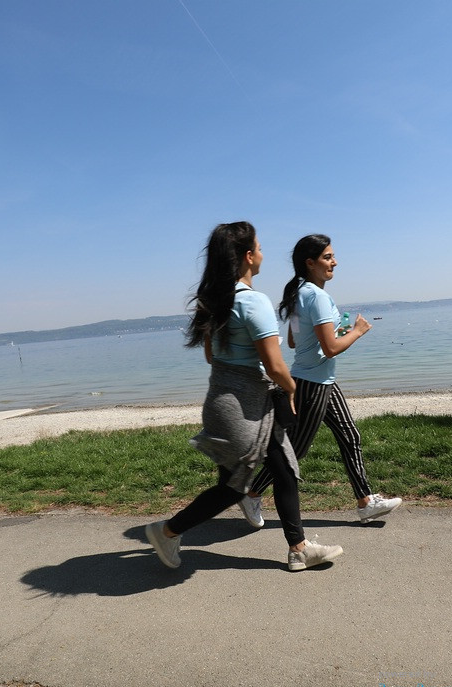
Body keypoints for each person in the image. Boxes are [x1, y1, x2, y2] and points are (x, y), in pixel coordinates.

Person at [144, 222, 343, 572]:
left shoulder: (216, 300)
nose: (264, 253)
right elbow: (275, 364)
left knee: (282, 468)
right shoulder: (252, 302)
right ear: (249, 256)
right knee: (235, 486)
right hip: (245, 406)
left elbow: (212, 357)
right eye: (260, 248)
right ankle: (167, 530)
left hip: (224, 398)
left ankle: (299, 549)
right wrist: (292, 389)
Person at [239, 234, 402, 527]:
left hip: (319, 379)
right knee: (295, 450)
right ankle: (251, 493)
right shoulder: (316, 295)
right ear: (310, 263)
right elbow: (330, 348)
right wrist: (358, 331)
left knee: (350, 436)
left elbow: (292, 340)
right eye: (328, 257)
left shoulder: (299, 293)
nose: (334, 262)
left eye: (333, 256)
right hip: (312, 384)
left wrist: (332, 331)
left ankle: (365, 502)